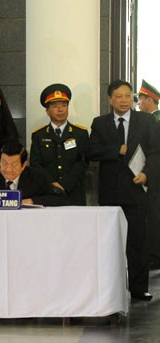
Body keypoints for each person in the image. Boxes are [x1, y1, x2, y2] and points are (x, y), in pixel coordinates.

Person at [88, 79, 160, 301]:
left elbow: (156, 152)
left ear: (133, 98)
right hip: (110, 193)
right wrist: (115, 150)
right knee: (110, 242)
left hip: (137, 190)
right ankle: (111, 287)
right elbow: (91, 151)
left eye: (128, 96)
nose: (123, 100)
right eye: (118, 96)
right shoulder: (100, 123)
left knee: (138, 240)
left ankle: (139, 288)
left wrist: (147, 173)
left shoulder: (146, 121)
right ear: (110, 99)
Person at [30, 83, 89, 205]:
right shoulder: (38, 135)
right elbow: (35, 164)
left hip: (73, 192)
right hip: (47, 192)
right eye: (55, 106)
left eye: (64, 105)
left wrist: (64, 185)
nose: (60, 109)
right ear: (47, 111)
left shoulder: (80, 133)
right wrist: (52, 184)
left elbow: (82, 163)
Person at [0, 140, 68, 207]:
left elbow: (61, 198)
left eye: (14, 165)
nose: (8, 169)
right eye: (4, 163)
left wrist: (31, 201)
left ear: (24, 165)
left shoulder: (36, 176)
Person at [136, 79, 160, 269]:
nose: (138, 104)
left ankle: (155, 255)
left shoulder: (155, 121)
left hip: (156, 177)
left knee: (154, 216)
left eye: (140, 99)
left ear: (150, 100)